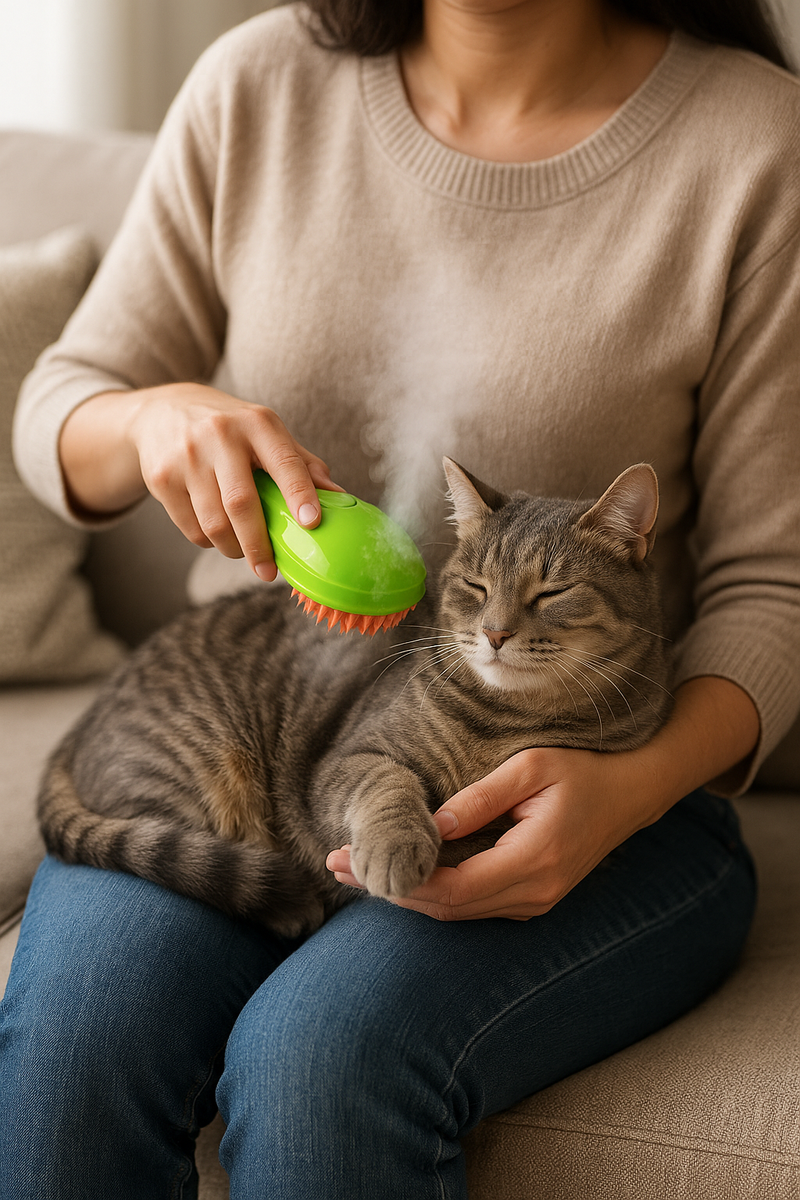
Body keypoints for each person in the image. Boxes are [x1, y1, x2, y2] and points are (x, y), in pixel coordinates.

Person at [3, 0, 800, 1195]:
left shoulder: (755, 144)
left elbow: (772, 583)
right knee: (71, 1055)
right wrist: (147, 416)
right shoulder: (255, 85)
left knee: (321, 1063)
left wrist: (624, 789)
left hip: (613, 768)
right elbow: (65, 399)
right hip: (270, 715)